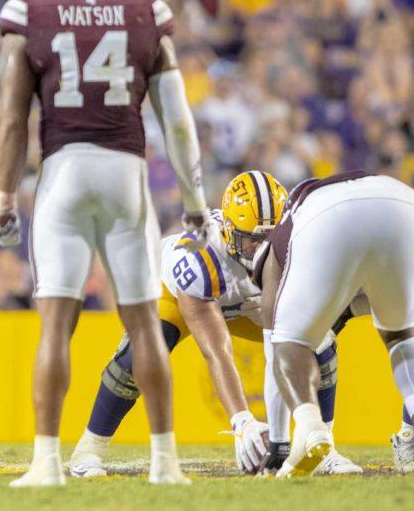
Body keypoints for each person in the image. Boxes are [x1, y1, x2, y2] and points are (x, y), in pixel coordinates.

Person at [0, 0, 212, 487]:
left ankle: (46, 462)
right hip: (126, 172)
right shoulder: (144, 13)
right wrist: (194, 197)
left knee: (56, 323)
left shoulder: (31, 14)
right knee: (141, 323)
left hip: (63, 173)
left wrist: (3, 196)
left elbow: (13, 119)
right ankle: (165, 462)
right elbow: (178, 122)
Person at [68, 171, 361, 477]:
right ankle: (88, 450)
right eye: (251, 241)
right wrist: (242, 422)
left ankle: (323, 449)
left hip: (252, 299)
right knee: (140, 356)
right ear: (228, 233)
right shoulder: (200, 256)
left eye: (269, 237)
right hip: (179, 294)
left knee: (319, 340)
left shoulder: (294, 243)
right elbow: (217, 351)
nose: (261, 248)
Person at [259, 172, 414, 476]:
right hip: (402, 201)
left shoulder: (281, 239)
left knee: (289, 342)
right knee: (401, 334)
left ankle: (312, 429)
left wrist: (278, 442)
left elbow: (275, 345)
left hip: (330, 216)